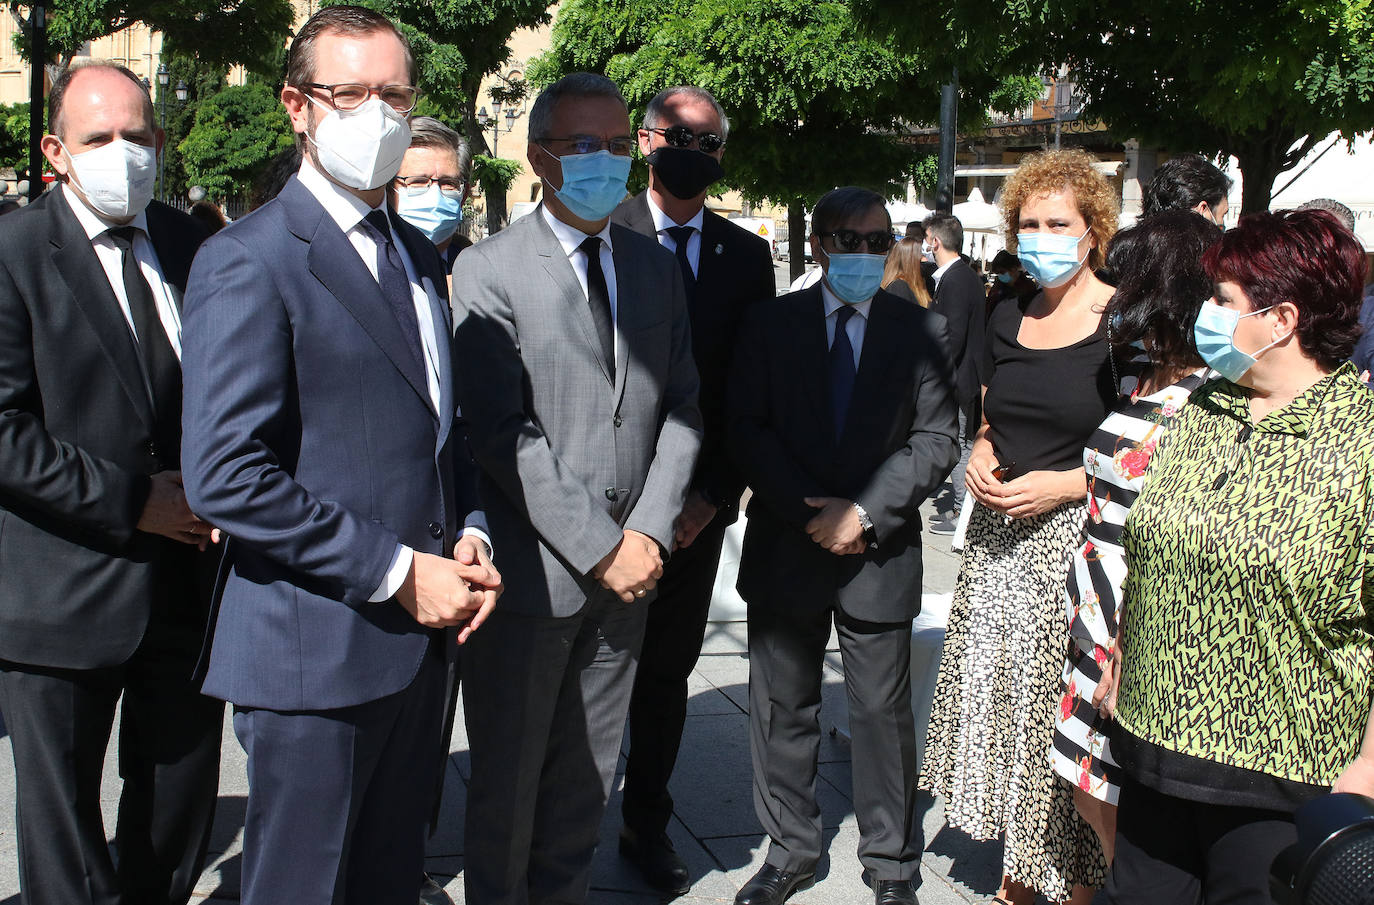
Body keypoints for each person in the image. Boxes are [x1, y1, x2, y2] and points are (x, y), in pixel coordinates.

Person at [179, 8, 500, 905]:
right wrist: (399, 570)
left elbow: (438, 427)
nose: (378, 115)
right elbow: (226, 475)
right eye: (348, 93)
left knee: (387, 881)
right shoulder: (249, 258)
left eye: (394, 94)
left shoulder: (413, 253)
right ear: (297, 106)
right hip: (313, 652)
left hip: (421, 648)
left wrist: (469, 531)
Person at [451, 72, 702, 905]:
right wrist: (600, 546)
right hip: (533, 580)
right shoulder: (486, 271)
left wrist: (649, 533)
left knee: (588, 781)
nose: (606, 161)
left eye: (621, 145)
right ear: (539, 159)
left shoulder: (654, 268)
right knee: (508, 787)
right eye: (584, 145)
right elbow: (500, 431)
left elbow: (682, 407)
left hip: (631, 577)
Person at [1102, 208, 1374, 904]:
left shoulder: (1360, 441)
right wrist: (1125, 655)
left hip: (1281, 776)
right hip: (1154, 746)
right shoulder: (1203, 407)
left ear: (1281, 318)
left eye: (1223, 300)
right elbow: (1153, 542)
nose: (1206, 314)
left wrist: (1369, 768)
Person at [0, 60, 223, 905]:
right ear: (57, 150)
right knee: (63, 835)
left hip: (190, 586)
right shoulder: (13, 253)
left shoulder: (195, 245)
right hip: (59, 589)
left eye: (137, 135)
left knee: (175, 807)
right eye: (99, 138)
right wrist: (137, 501)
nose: (122, 153)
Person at [728, 186, 959, 905]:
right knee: (781, 705)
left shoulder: (922, 328)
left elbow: (937, 439)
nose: (864, 253)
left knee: (881, 715)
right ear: (820, 243)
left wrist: (862, 512)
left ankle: (891, 862)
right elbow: (746, 427)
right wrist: (811, 514)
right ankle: (790, 846)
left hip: (878, 551)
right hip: (788, 544)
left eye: (877, 239)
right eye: (848, 239)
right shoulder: (770, 323)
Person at [921, 148, 1119, 905]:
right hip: (999, 544)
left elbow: (1149, 441)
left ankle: (1074, 881)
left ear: (1092, 229)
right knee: (1005, 706)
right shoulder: (1012, 310)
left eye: (1058, 223)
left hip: (1076, 546)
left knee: (1058, 716)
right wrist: (978, 446)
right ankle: (1021, 867)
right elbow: (995, 408)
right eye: (1029, 223)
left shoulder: (1121, 320)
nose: (1042, 235)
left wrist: (1069, 483)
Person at [609, 84, 774, 896]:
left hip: (694, 513)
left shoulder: (747, 256)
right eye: (679, 136)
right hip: (600, 507)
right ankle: (564, 814)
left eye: (708, 143)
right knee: (586, 670)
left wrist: (711, 496)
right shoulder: (603, 228)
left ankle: (647, 819)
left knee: (665, 675)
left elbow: (748, 389)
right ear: (645, 141)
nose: (692, 153)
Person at [1047, 209, 1221, 862]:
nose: (1112, 291)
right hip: (1095, 607)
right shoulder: (1148, 370)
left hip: (1135, 620)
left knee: (1125, 812)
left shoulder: (1211, 394)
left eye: (1126, 277)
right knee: (1089, 786)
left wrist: (1131, 640)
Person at [922, 210, 986, 528]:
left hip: (960, 380)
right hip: (962, 377)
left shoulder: (956, 279)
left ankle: (963, 512)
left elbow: (953, 337)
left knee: (959, 444)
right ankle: (961, 508)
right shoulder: (959, 276)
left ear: (935, 242)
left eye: (926, 240)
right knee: (958, 443)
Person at [390, 115, 472, 274]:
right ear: (387, 189)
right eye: (418, 182)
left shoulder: (478, 273)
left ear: (464, 195)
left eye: (448, 183)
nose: (435, 197)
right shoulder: (365, 267)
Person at [1141, 154, 1230, 225]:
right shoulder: (1210, 246)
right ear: (1202, 210)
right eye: (1223, 215)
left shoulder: (1133, 244)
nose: (1223, 224)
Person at [881, 236, 933, 307]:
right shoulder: (898, 286)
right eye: (923, 255)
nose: (927, 259)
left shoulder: (920, 282)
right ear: (911, 260)